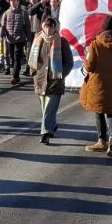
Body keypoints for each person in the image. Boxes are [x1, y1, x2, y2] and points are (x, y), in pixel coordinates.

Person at [80, 16, 112, 158]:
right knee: (111, 112)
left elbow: (89, 65)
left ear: (103, 27)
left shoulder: (95, 44)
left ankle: (102, 140)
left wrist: (86, 58)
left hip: (98, 83)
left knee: (99, 110)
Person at [28, 15, 73, 143]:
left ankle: (45, 133)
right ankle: (52, 126)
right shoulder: (38, 39)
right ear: (43, 27)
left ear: (55, 28)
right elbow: (31, 58)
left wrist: (61, 74)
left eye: (51, 27)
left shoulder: (62, 42)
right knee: (45, 110)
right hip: (41, 80)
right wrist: (33, 72)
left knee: (49, 109)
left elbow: (69, 62)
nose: (48, 30)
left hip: (55, 82)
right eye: (46, 27)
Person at [1, 0, 32, 86]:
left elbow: (28, 26)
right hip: (9, 39)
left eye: (15, 1)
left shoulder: (23, 13)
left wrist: (28, 38)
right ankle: (16, 75)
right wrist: (0, 36)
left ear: (18, 2)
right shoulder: (6, 13)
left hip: (20, 38)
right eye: (11, 1)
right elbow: (3, 26)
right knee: (12, 58)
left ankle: (14, 76)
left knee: (17, 58)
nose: (13, 2)